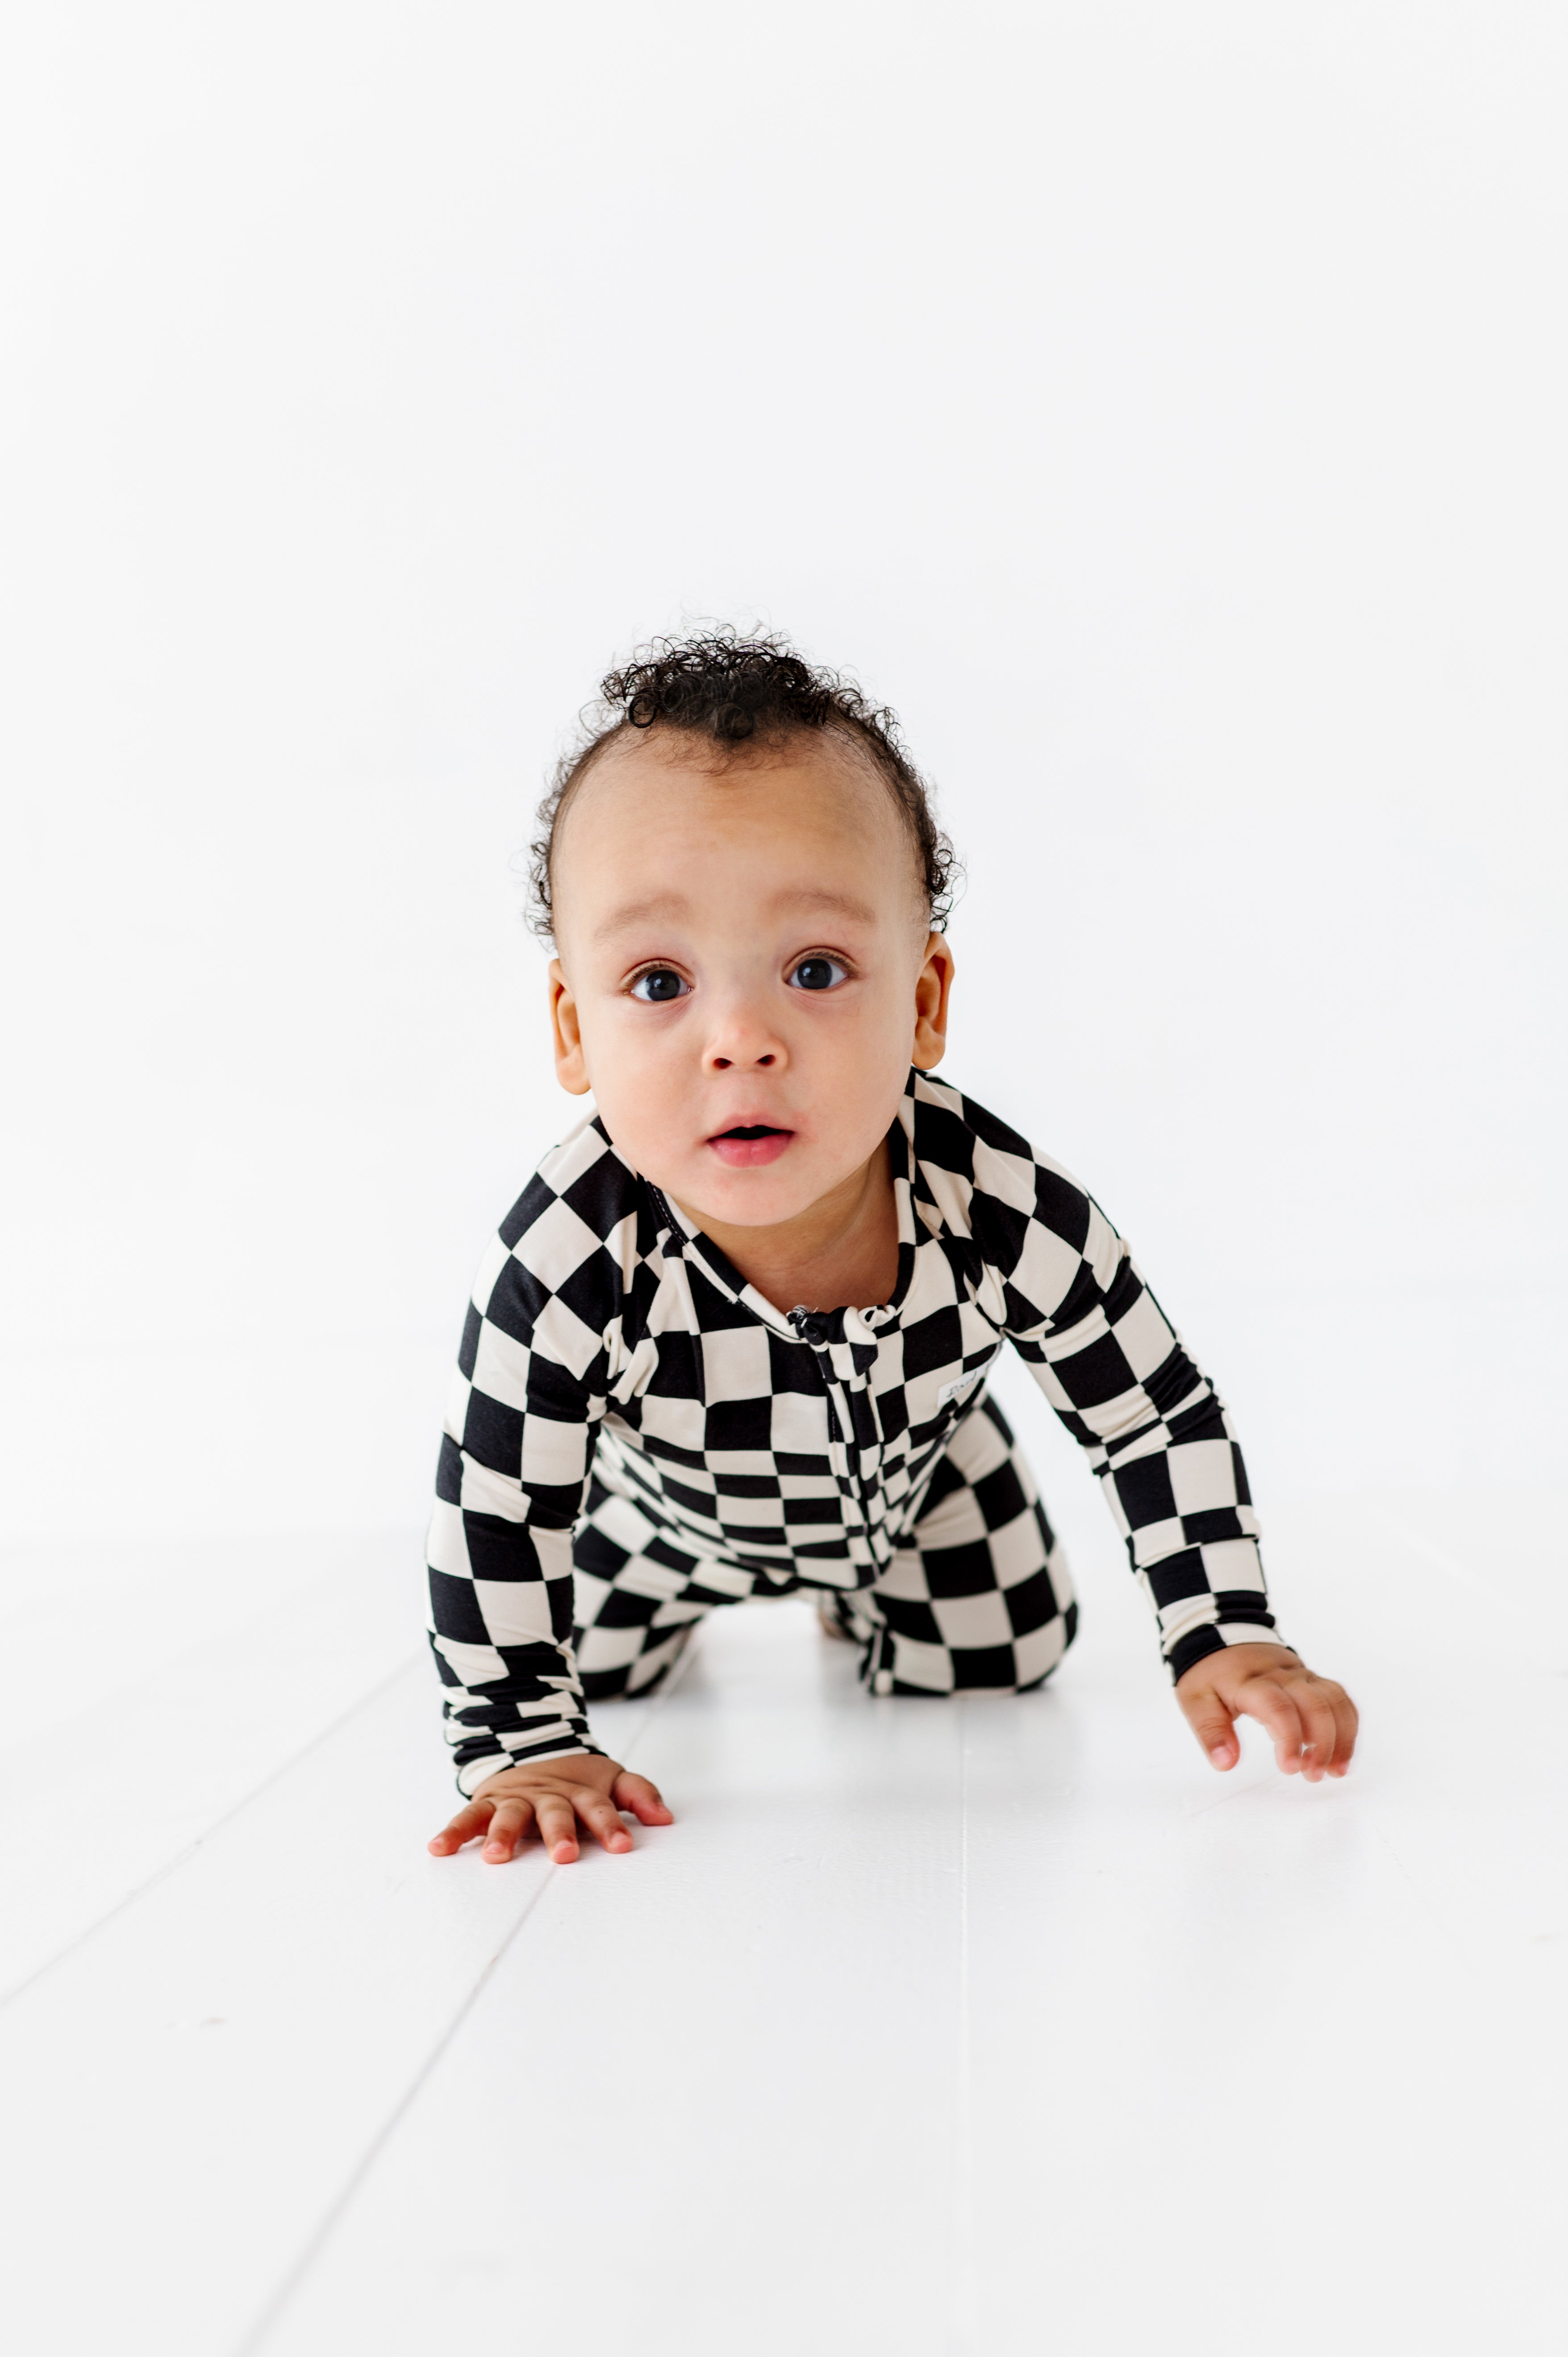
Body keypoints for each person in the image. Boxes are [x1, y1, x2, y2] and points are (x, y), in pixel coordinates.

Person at [426, 634, 1357, 1869]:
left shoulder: (996, 1203)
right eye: (659, 982)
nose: (742, 1038)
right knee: (565, 1664)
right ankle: (638, 1642)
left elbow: (1151, 1415)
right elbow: (500, 1503)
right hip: (657, 1520)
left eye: (815, 970)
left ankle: (858, 1605)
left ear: (924, 1003)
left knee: (1008, 1654)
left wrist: (1222, 1628)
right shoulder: (572, 1252)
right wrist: (522, 1740)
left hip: (924, 1490)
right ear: (573, 1031)